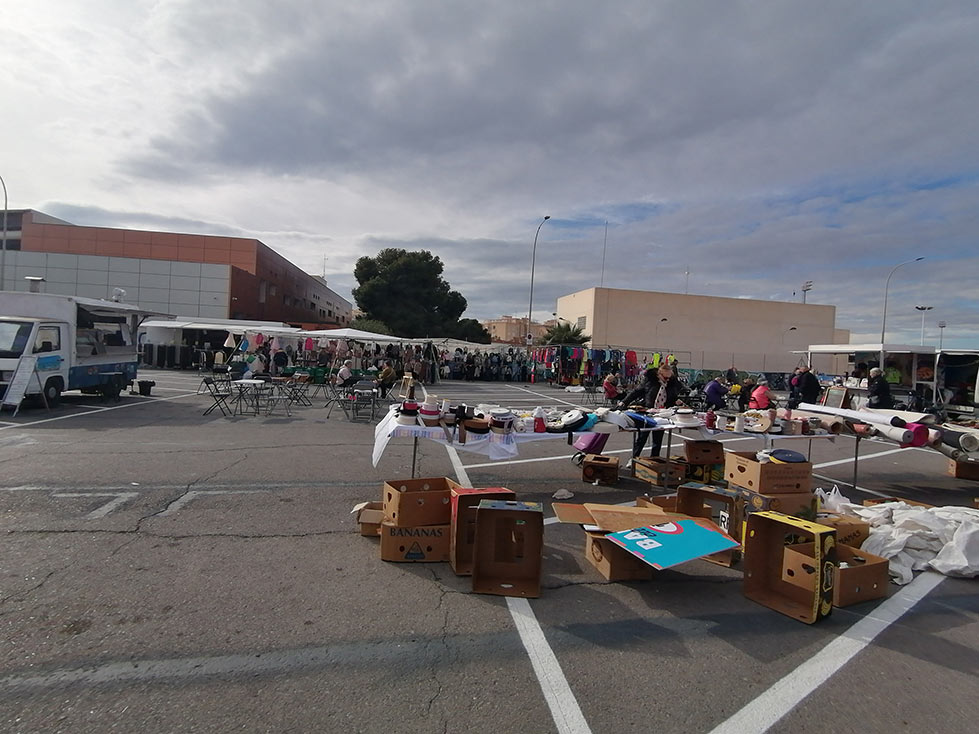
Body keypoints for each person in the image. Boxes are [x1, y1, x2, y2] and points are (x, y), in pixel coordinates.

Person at [618, 365, 684, 458]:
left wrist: (677, 401)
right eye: (666, 378)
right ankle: (634, 458)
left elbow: (672, 397)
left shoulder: (671, 384)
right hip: (648, 413)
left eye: (670, 378)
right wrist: (624, 402)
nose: (668, 380)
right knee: (642, 438)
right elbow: (636, 392)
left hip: (662, 414)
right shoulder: (649, 381)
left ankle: (654, 459)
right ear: (659, 374)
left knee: (658, 439)